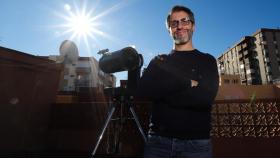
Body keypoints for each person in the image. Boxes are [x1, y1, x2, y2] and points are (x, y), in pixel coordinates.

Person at [136, 5, 219, 158]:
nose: (179, 26)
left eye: (184, 21)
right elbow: (143, 91)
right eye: (174, 23)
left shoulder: (207, 60)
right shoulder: (158, 61)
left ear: (193, 26)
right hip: (158, 143)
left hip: (196, 146)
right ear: (169, 30)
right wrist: (186, 83)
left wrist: (161, 91)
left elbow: (204, 99)